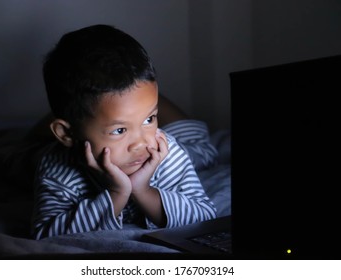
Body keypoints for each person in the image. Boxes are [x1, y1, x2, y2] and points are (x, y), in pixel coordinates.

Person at [31, 24, 217, 240]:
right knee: (19, 158)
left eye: (150, 119)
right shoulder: (57, 168)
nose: (140, 143)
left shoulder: (165, 152)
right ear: (66, 134)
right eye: (119, 130)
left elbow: (204, 216)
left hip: (184, 141)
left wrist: (143, 191)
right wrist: (117, 193)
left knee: (202, 152)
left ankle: (137, 105)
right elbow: (45, 234)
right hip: (68, 134)